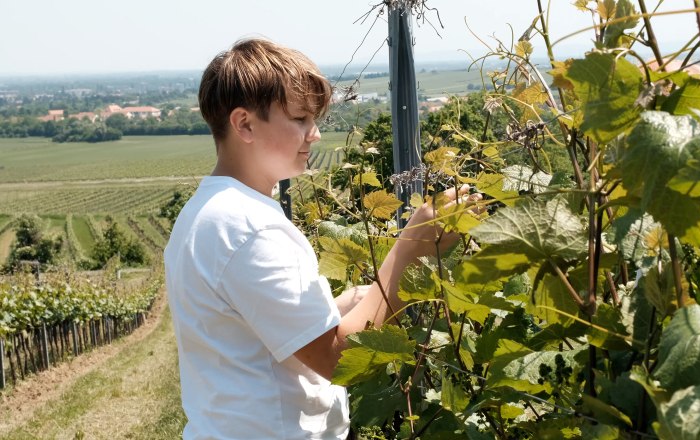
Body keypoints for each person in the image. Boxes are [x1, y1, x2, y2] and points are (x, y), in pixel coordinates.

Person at [163, 38, 480, 439]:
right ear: (244, 124)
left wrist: (342, 305)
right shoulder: (250, 228)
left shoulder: (207, 212)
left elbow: (247, 332)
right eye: (299, 119)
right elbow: (339, 359)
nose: (314, 135)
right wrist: (412, 247)